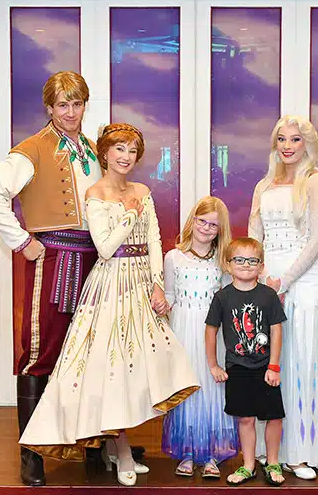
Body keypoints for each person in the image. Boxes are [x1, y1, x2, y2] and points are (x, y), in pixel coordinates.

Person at [18, 123, 200, 486]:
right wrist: (130, 212)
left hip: (139, 284)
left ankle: (115, 446)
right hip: (110, 283)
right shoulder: (95, 192)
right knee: (110, 365)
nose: (126, 157)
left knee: (139, 365)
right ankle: (120, 450)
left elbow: (152, 241)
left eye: (132, 151)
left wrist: (157, 285)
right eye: (119, 150)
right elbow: (103, 246)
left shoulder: (143, 191)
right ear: (104, 153)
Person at [0, 71, 104, 486]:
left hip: (94, 260)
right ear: (49, 108)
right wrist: (21, 241)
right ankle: (31, 453)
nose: (71, 112)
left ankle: (89, 444)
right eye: (62, 105)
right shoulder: (31, 148)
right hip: (55, 260)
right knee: (41, 349)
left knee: (88, 352)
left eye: (77, 103)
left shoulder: (91, 149)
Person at [248, 115, 318, 479]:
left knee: (304, 359)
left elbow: (317, 240)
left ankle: (302, 451)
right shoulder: (263, 185)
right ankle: (267, 449)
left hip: (304, 283)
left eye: (295, 140)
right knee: (272, 363)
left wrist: (284, 281)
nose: (287, 146)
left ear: (306, 144)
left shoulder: (315, 183)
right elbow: (253, 235)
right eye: (281, 140)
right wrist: (258, 276)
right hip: (268, 278)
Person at [161, 196, 239, 479]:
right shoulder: (173, 257)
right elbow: (169, 296)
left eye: (213, 225)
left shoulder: (223, 263)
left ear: (221, 230)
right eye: (202, 221)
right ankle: (187, 451)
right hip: (182, 329)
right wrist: (159, 305)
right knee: (187, 386)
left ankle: (211, 454)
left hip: (211, 332)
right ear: (192, 221)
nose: (206, 228)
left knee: (211, 388)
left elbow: (231, 299)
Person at [205, 237, 287, 486]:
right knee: (245, 418)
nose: (246, 265)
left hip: (265, 368)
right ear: (228, 265)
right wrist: (213, 365)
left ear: (261, 267)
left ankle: (273, 461)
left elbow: (276, 331)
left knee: (273, 416)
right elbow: (210, 331)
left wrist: (274, 365)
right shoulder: (222, 298)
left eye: (252, 260)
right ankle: (248, 465)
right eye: (239, 259)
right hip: (237, 368)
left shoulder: (268, 295)